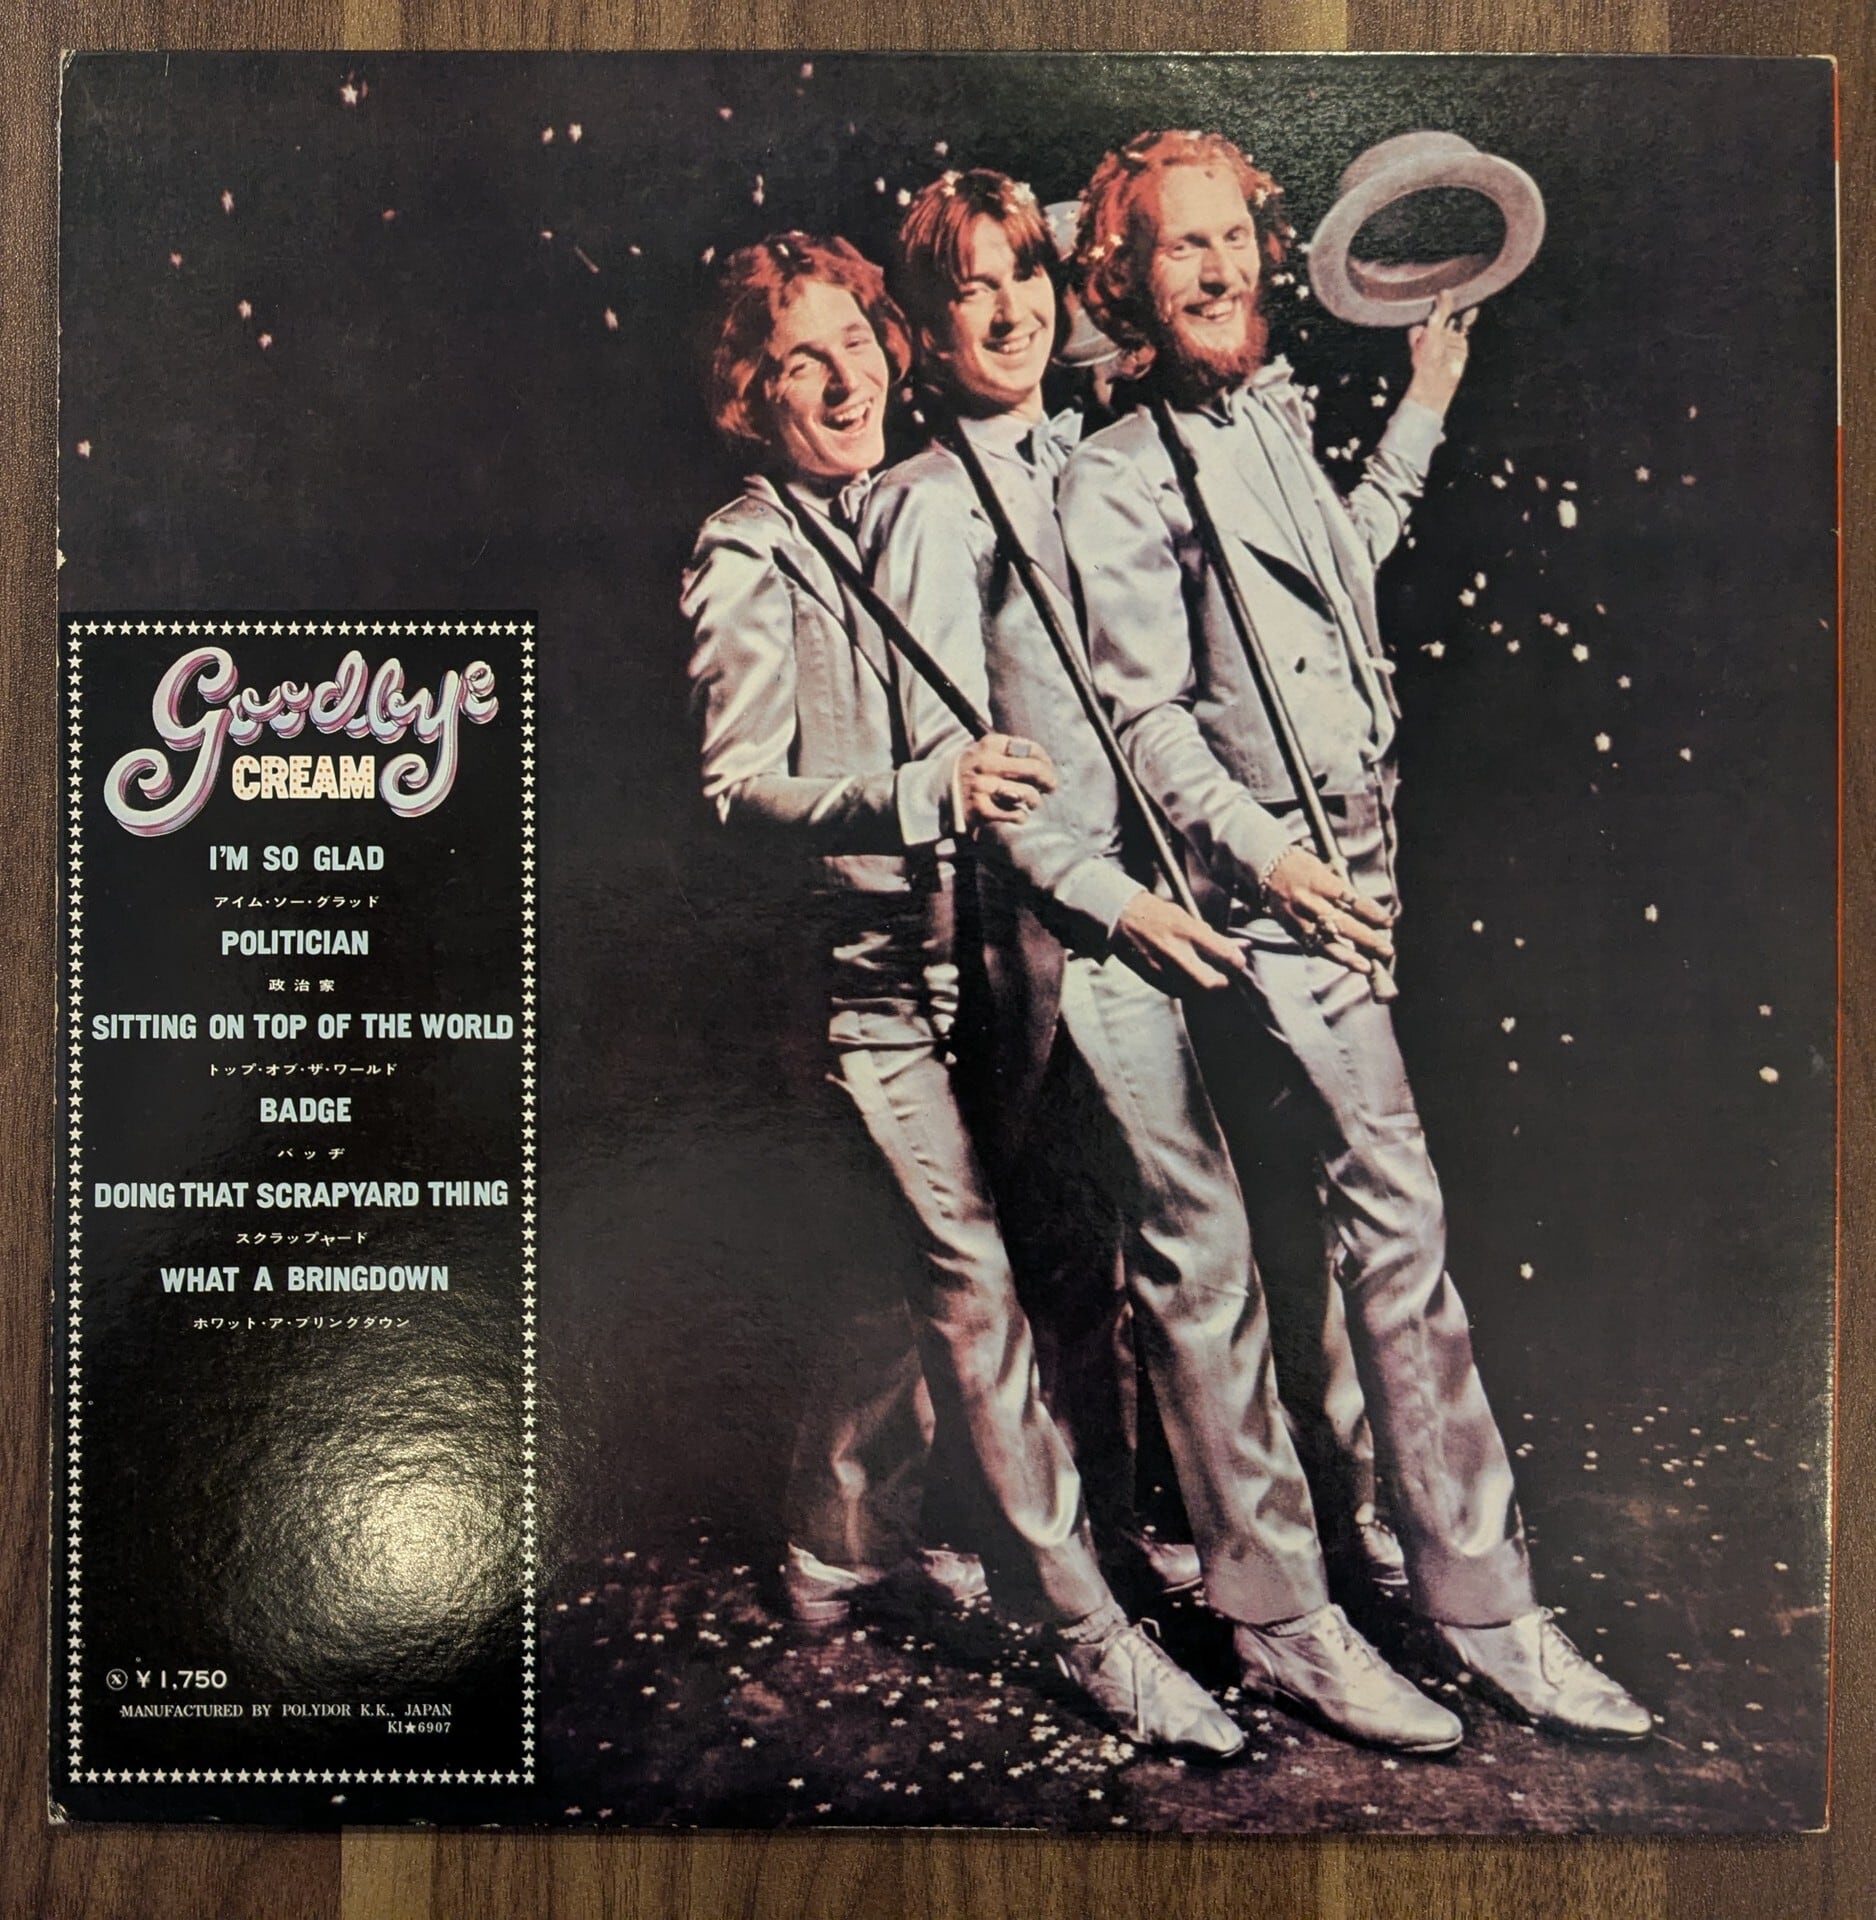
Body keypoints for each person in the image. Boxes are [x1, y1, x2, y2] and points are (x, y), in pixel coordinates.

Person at [1058, 129, 1651, 1742]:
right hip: (1249, 898)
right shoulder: (1114, 475)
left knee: (1357, 1240)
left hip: (1350, 871)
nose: (1215, 268)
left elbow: (1343, 568)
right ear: (1127, 281)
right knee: (1365, 1227)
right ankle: (1459, 1611)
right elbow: (1144, 722)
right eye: (1176, 247)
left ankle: (1400, 1572)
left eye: (1229, 238)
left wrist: (1426, 406)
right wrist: (1270, 862)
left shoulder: (1274, 417)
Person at [860, 169, 1464, 1754]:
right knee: (1163, 1250)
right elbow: (969, 777)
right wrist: (1111, 904)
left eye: (1025, 279)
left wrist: (1416, 405)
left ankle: (1216, 1544)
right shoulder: (922, 504)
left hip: (1191, 898)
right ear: (921, 331)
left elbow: (1278, 579)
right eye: (968, 292)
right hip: (1072, 928)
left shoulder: (1097, 448)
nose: (1009, 311)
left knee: (1178, 1252)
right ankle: (1260, 1621)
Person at [681, 230, 1243, 1756]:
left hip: (970, 960)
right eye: (801, 361)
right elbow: (735, 791)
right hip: (861, 985)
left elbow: (1051, 314)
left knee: (907, 1271)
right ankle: (1088, 1631)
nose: (842, 380)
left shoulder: (914, 495)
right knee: (973, 1282)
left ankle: (838, 1546)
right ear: (751, 394)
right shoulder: (747, 551)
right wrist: (923, 790)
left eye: (858, 344)